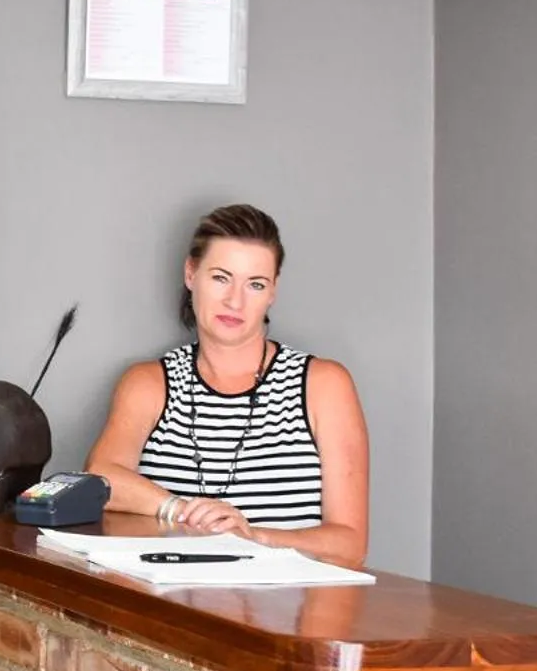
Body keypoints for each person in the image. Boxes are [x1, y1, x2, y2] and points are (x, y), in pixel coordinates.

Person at [85, 203, 370, 565]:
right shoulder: (148, 383)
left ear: (273, 292)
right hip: (170, 608)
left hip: (288, 614)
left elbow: (350, 544)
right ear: (191, 274)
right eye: (221, 277)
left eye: (255, 284)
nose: (235, 300)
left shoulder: (324, 385)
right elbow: (101, 479)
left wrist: (250, 536)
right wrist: (184, 511)